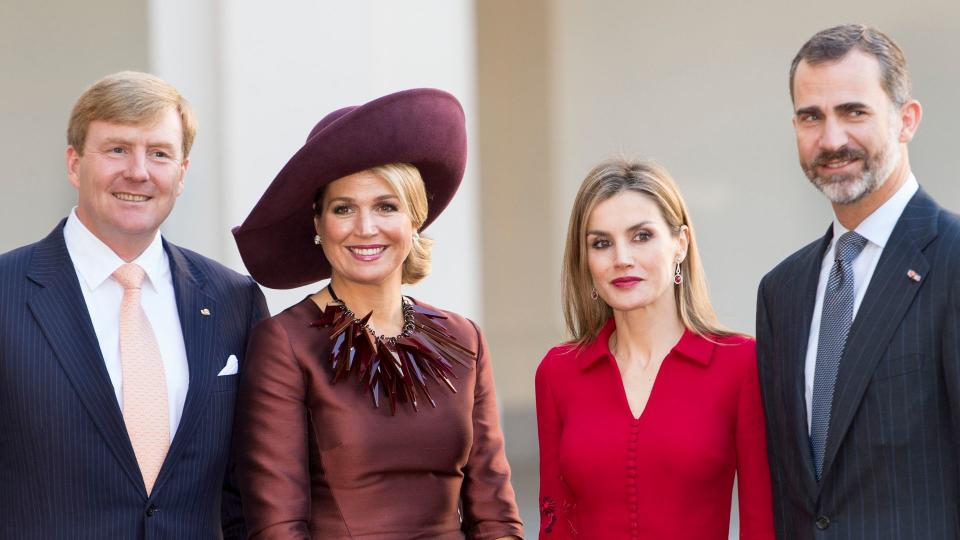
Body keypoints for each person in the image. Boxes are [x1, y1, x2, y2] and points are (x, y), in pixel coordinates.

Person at [231, 88, 523, 539]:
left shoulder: (466, 339)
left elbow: (495, 514)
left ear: (414, 220)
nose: (365, 229)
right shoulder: (284, 343)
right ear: (318, 225)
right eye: (344, 208)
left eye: (386, 207)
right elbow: (278, 525)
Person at [0, 71, 268, 539]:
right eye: (118, 149)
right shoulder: (6, 291)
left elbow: (249, 488)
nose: (138, 172)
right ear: (73, 163)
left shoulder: (233, 301)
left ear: (181, 174)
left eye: (159, 154)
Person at [756, 24, 960, 538]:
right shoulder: (782, 291)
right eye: (811, 117)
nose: (831, 139)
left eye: (854, 111)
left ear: (906, 120)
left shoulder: (954, 260)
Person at [536, 158, 774, 539]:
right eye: (601, 243)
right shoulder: (558, 372)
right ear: (586, 261)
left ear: (680, 244)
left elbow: (762, 523)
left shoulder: (741, 363)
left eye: (641, 236)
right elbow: (554, 521)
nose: (621, 259)